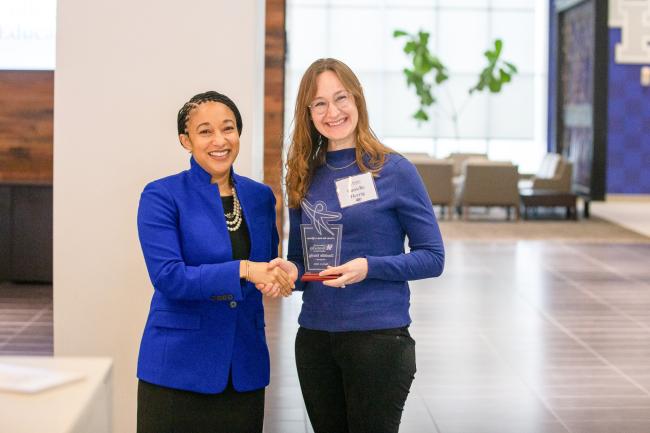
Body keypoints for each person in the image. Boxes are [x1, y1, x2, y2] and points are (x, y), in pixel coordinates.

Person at [279, 58, 445, 433]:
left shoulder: (393, 170)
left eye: (341, 98)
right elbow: (302, 262)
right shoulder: (302, 174)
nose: (332, 111)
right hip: (315, 340)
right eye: (319, 103)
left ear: (357, 99)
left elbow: (433, 258)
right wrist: (291, 273)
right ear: (307, 112)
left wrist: (369, 267)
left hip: (378, 340)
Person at [135, 91, 295, 433]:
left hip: (243, 365)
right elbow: (169, 278)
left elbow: (265, 265)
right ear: (186, 140)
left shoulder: (260, 196)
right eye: (205, 131)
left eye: (229, 128)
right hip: (177, 366)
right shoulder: (161, 195)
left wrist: (273, 278)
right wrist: (244, 269)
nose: (220, 140)